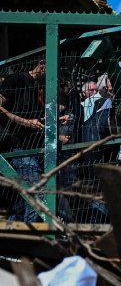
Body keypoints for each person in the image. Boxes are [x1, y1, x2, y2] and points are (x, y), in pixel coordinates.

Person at [0, 60, 47, 222]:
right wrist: (25, 122)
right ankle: (31, 239)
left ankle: (14, 239)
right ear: (42, 64)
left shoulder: (38, 87)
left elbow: (31, 117)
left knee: (24, 198)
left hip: (31, 147)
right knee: (36, 192)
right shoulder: (17, 79)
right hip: (17, 146)